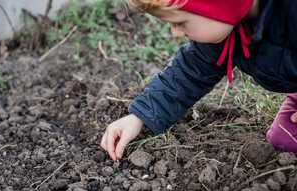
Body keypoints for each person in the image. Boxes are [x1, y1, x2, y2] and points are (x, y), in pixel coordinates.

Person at [100, 0, 297, 161]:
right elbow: (189, 72)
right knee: (284, 141)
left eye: (180, 23)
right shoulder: (225, 31)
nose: (175, 32)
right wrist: (139, 117)